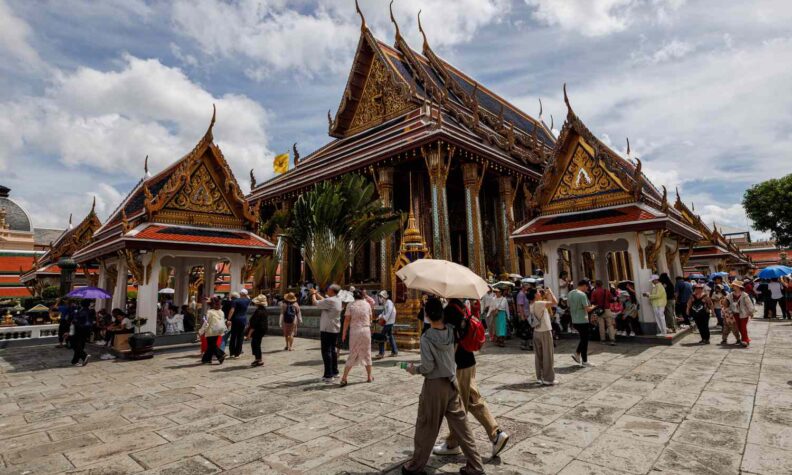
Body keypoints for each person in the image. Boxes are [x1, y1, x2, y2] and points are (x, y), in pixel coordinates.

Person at [402, 297, 485, 475]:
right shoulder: (452, 331)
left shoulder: (426, 337)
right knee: (462, 427)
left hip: (434, 386)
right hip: (452, 383)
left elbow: (427, 367)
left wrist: (413, 369)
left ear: (427, 315)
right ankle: (476, 467)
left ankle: (415, 467)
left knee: (427, 426)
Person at [433, 299, 510, 459]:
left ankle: (456, 443)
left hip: (458, 365)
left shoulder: (450, 310)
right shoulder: (461, 307)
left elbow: (450, 341)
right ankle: (495, 434)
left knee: (455, 406)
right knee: (472, 400)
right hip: (469, 362)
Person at [340, 290, 373, 386]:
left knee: (353, 353)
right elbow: (370, 318)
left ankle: (344, 378)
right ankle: (369, 376)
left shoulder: (350, 305)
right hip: (366, 330)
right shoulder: (367, 305)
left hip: (355, 330)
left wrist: (344, 333)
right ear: (363, 296)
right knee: (367, 353)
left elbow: (346, 320)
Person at [312, 284, 343, 382]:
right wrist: (317, 294)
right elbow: (323, 300)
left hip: (327, 329)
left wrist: (313, 294)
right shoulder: (337, 299)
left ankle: (328, 375)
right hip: (334, 329)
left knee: (326, 352)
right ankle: (335, 371)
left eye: (328, 289)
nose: (327, 290)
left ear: (332, 291)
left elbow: (316, 303)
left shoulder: (330, 301)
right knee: (332, 351)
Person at [532, 287, 558, 385]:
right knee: (547, 355)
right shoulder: (539, 304)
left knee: (539, 356)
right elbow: (554, 302)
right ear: (535, 295)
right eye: (538, 292)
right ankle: (548, 378)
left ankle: (540, 376)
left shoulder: (533, 304)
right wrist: (551, 291)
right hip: (545, 330)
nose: (540, 293)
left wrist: (546, 296)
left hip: (536, 331)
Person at [569, 280, 595, 367]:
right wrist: (594, 307)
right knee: (585, 341)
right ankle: (583, 360)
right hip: (582, 320)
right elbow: (587, 309)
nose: (587, 289)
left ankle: (578, 355)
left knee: (583, 339)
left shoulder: (571, 293)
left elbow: (568, 305)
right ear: (584, 285)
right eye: (587, 287)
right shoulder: (582, 295)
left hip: (574, 319)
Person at [726, 280, 754, 347]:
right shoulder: (730, 295)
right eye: (733, 286)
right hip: (735, 313)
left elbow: (749, 304)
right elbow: (727, 303)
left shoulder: (744, 295)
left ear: (738, 287)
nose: (733, 287)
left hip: (744, 314)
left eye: (734, 286)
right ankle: (745, 339)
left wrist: (751, 312)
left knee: (743, 327)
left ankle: (745, 340)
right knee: (739, 327)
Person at [199, 297, 226, 364]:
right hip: (218, 330)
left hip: (211, 331)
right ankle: (206, 359)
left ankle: (221, 354)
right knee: (211, 345)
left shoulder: (209, 312)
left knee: (212, 345)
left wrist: (201, 331)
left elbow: (206, 322)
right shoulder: (221, 311)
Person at [226, 289, 251, 359]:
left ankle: (232, 353)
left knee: (233, 337)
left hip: (236, 319)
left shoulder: (235, 301)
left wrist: (228, 319)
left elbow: (232, 310)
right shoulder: (247, 301)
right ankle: (238, 353)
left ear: (240, 293)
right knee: (240, 337)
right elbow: (249, 298)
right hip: (243, 320)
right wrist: (246, 295)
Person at [590, 280, 616, 345]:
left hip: (599, 310)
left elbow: (592, 302)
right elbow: (612, 300)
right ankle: (612, 339)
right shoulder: (606, 291)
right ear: (602, 284)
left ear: (596, 285)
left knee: (601, 326)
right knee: (610, 325)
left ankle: (603, 340)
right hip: (607, 309)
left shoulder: (594, 292)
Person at [70, 300, 94, 366]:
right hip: (87, 330)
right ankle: (75, 361)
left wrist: (75, 313)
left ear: (81, 304)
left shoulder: (82, 311)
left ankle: (84, 355)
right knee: (80, 345)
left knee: (74, 344)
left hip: (80, 329)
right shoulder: (90, 311)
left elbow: (75, 320)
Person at [375, 290, 398, 359]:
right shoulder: (385, 303)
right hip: (388, 322)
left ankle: (381, 353)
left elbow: (390, 312)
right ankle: (394, 351)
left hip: (389, 322)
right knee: (390, 336)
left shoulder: (389, 302)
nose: (379, 298)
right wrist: (379, 316)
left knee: (381, 336)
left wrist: (383, 318)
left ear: (384, 297)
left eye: (380, 297)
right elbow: (384, 312)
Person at [247, 294, 269, 367]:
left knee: (255, 344)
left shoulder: (258, 311)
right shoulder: (264, 310)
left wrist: (249, 334)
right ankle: (258, 359)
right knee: (257, 344)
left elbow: (254, 324)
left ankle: (258, 359)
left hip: (257, 330)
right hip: (262, 329)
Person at [515, 283, 533, 351]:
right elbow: (520, 305)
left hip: (528, 314)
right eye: (527, 286)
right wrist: (522, 315)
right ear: (524, 287)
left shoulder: (525, 294)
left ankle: (528, 344)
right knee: (524, 330)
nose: (528, 287)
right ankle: (524, 345)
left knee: (528, 329)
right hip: (524, 314)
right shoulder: (521, 294)